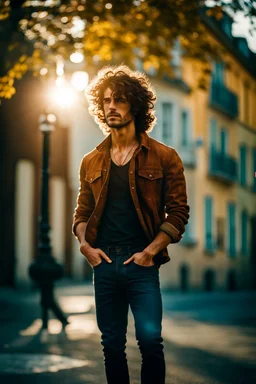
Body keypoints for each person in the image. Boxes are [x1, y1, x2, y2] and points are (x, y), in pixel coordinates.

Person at [72, 65, 190, 384]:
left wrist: (150, 253)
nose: (111, 106)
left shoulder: (165, 157)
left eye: (120, 100)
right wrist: (86, 247)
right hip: (105, 264)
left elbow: (178, 213)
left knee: (151, 343)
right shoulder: (91, 161)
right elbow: (81, 213)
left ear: (135, 106)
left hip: (142, 264)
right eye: (107, 100)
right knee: (111, 346)